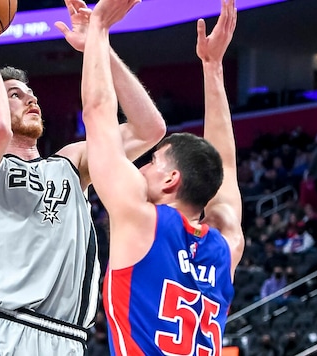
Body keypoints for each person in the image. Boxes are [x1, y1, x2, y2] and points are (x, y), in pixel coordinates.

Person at [0, 0, 166, 353]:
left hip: (63, 339)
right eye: (15, 95)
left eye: (32, 95)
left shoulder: (71, 162)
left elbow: (149, 128)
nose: (31, 101)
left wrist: (98, 45)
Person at [81, 0, 243, 355]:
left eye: (152, 161)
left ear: (171, 179)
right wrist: (212, 67)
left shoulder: (139, 220)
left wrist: (98, 28)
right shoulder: (225, 246)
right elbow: (224, 168)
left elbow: (97, 115)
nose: (140, 167)